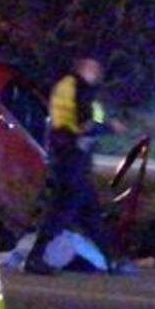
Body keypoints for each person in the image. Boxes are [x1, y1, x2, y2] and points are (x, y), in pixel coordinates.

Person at [23, 56, 125, 275]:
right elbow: (84, 123)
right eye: (94, 68)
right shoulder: (78, 88)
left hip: (71, 159)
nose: (98, 73)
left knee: (90, 213)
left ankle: (112, 260)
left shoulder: (68, 86)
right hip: (72, 159)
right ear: (84, 68)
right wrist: (109, 127)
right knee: (63, 210)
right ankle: (35, 257)